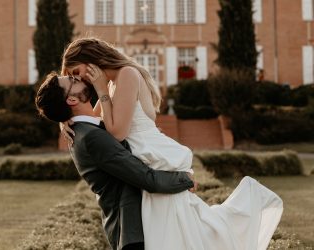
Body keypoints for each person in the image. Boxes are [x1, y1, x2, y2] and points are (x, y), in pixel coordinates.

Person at [60, 37, 284, 250]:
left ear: (91, 58)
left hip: (151, 158)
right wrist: (65, 119)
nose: (80, 79)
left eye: (77, 72)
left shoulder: (125, 75)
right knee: (173, 230)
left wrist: (100, 90)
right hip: (143, 157)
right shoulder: (111, 86)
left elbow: (117, 133)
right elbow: (95, 123)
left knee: (176, 230)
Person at [35, 72, 195, 250]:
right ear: (72, 100)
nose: (78, 78)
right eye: (72, 80)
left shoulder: (86, 129)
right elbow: (146, 178)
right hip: (133, 233)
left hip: (139, 227)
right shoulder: (91, 136)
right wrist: (186, 180)